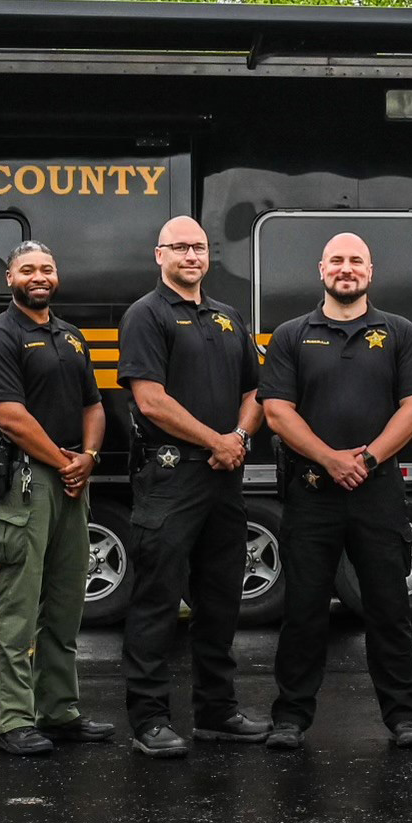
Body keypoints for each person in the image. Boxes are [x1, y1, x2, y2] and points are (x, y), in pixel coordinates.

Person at [260, 232, 412, 751]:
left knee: (389, 608)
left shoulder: (399, 332)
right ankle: (290, 717)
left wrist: (367, 458)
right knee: (304, 610)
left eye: (356, 260)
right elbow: (276, 412)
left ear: (370, 271)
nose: (346, 268)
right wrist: (331, 459)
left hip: (377, 490)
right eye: (336, 260)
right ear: (321, 270)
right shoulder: (292, 335)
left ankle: (404, 718)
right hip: (312, 490)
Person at [119, 216, 270, 758]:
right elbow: (150, 400)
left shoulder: (227, 316)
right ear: (159, 255)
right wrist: (216, 441)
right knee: (157, 600)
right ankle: (150, 718)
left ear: (209, 256)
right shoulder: (146, 314)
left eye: (199, 247)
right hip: (171, 475)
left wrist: (238, 439)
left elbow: (257, 390)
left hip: (224, 477)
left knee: (221, 599)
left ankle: (216, 710)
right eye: (179, 247)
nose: (190, 255)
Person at [0, 240, 112, 756]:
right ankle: (14, 718)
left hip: (72, 478)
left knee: (65, 602)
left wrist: (90, 458)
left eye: (47, 268)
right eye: (27, 269)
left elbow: (93, 405)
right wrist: (66, 461)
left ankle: (59, 709)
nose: (39, 276)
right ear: (9, 277)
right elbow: (8, 415)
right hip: (27, 482)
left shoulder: (70, 336)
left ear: (57, 276)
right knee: (19, 605)